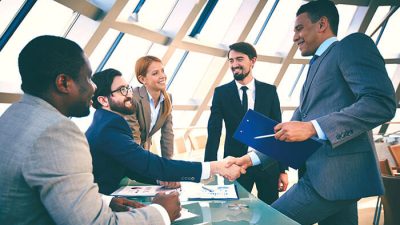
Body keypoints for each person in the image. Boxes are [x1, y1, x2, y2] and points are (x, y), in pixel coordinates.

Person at [225, 1, 397, 224]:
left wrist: (313, 127)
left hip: (332, 178)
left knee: (266, 221)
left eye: (299, 28)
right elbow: (289, 130)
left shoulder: (351, 46)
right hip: (329, 180)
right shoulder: (315, 65)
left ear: (322, 24)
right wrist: (251, 159)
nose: (294, 37)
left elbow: (381, 102)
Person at [0, 35, 182, 224]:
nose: (94, 87)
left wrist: (106, 201)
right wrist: (161, 212)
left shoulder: (12, 116)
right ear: (63, 83)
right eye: (87, 78)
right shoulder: (57, 132)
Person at [86, 68, 244, 195]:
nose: (130, 94)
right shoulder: (109, 128)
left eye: (128, 88)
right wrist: (214, 167)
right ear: (103, 100)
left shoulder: (106, 122)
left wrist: (159, 180)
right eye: (122, 90)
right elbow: (148, 163)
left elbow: (130, 164)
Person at [204, 42, 288, 204]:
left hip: (267, 163)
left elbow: (278, 130)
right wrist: (210, 168)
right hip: (235, 164)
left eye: (239, 59)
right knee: (234, 213)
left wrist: (282, 169)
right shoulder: (221, 93)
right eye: (231, 60)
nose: (234, 64)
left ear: (253, 61)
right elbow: (214, 131)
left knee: (270, 213)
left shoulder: (269, 91)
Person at [125, 56, 174, 159]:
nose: (162, 76)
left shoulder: (167, 98)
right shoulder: (133, 97)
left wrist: (169, 165)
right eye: (155, 73)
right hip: (126, 154)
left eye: (162, 71)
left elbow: (167, 134)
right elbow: (134, 136)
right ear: (142, 79)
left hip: (143, 151)